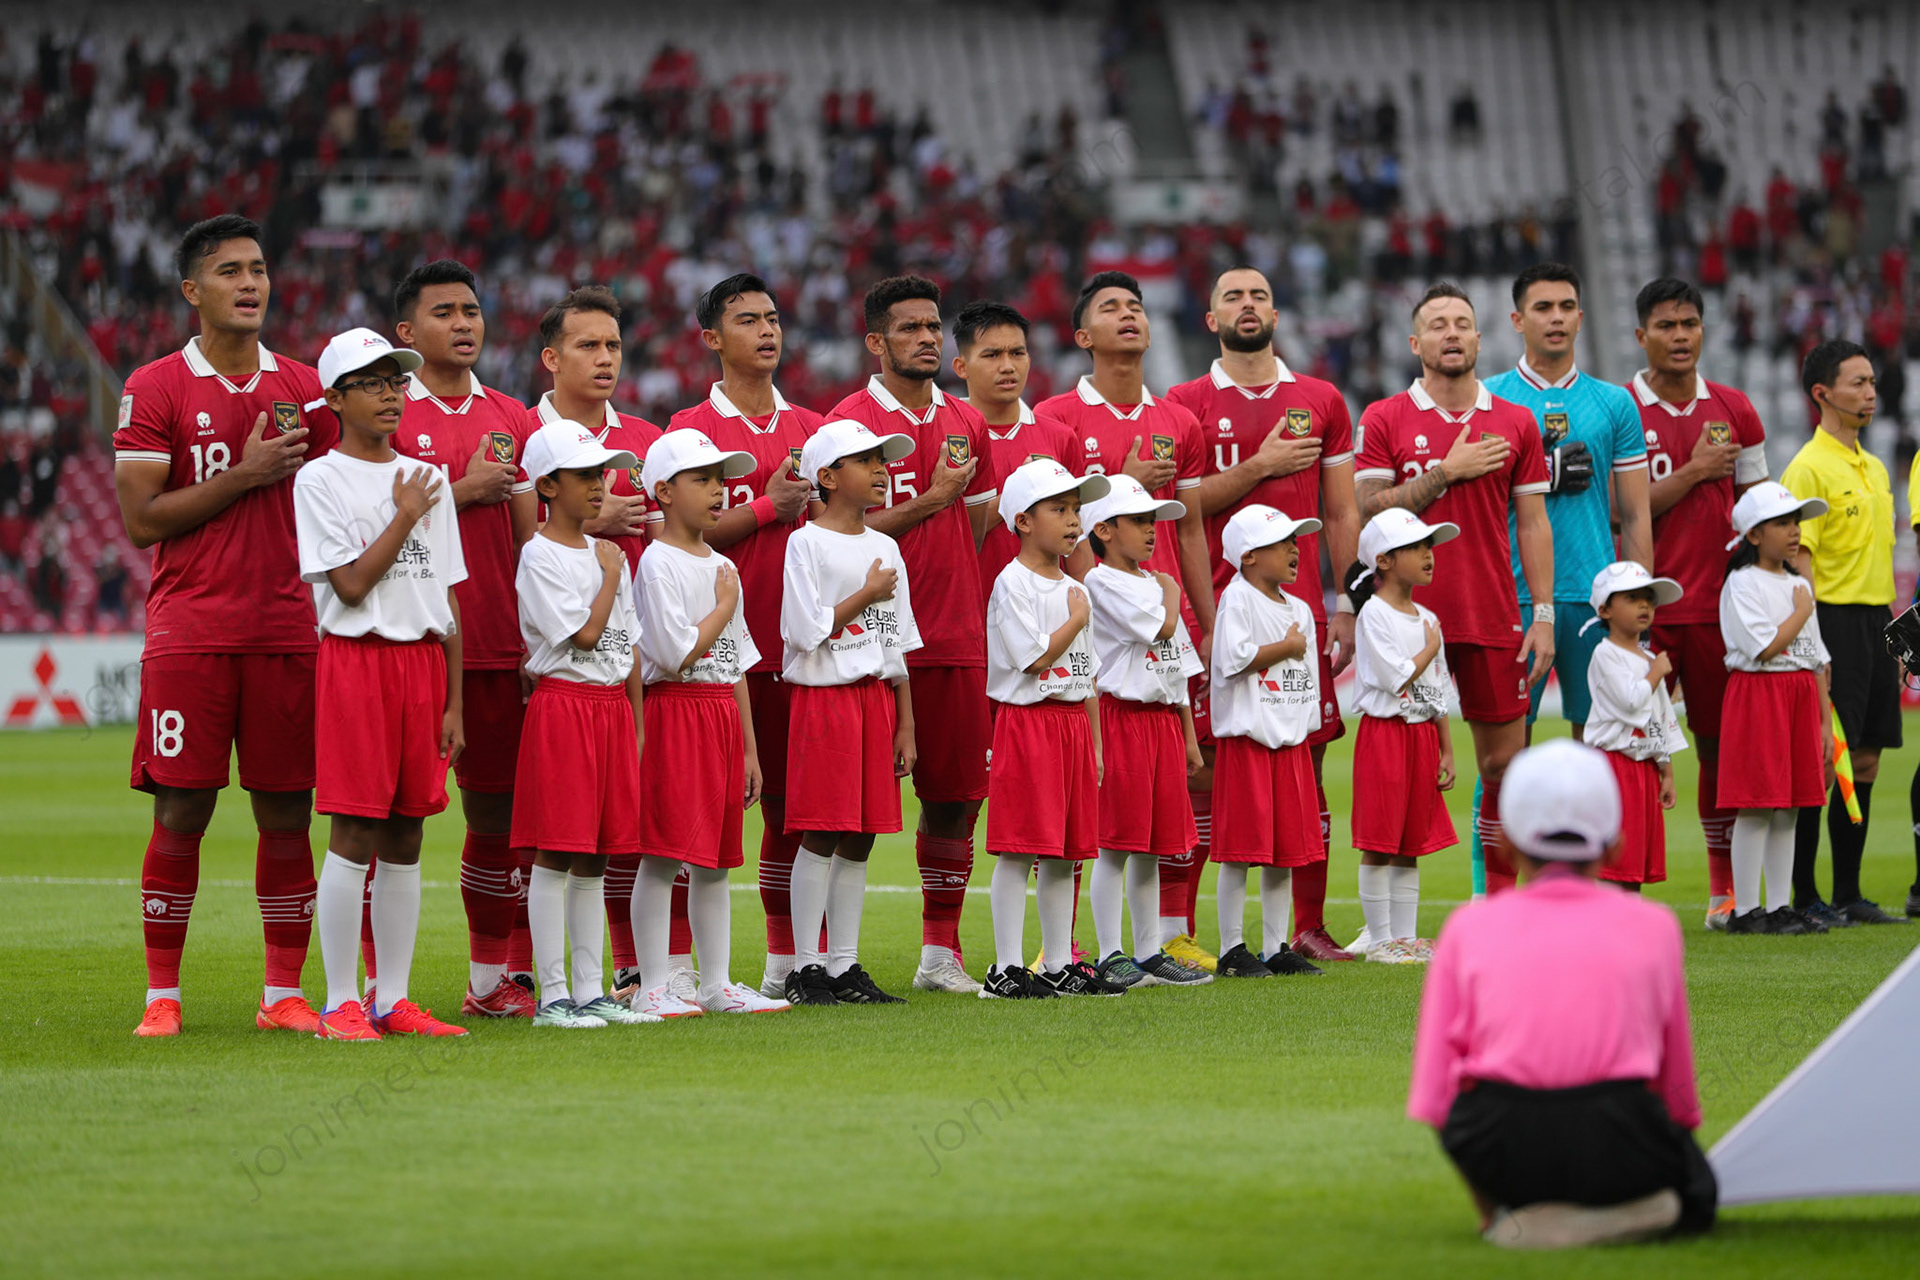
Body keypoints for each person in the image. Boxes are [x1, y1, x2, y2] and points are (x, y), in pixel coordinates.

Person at [114, 214, 335, 1037]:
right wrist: (244, 476)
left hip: (286, 629)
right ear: (192, 291)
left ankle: (282, 995)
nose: (251, 283)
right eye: (231, 270)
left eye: (260, 268)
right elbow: (143, 520)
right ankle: (161, 997)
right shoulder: (157, 385)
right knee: (181, 812)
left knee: (286, 813)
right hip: (192, 631)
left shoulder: (310, 391)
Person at [1408, 739, 1716, 1249]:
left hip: (1500, 1140)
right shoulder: (1654, 925)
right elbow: (1677, 1091)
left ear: (1506, 845)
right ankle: (1621, 1213)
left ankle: (1509, 1219)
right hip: (1619, 1135)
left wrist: (1489, 1208)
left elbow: (1436, 1099)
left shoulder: (1467, 927)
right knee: (1698, 1192)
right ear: (1615, 845)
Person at [1168, 264, 1362, 965]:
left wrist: (1345, 602)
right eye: (1232, 297)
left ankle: (1304, 927)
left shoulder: (1322, 399)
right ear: (1211, 319)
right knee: (1204, 771)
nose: (1248, 306)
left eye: (1260, 295)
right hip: (1211, 612)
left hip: (1302, 616)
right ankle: (1183, 933)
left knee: (1304, 767)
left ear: (1277, 312)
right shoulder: (1185, 404)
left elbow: (1340, 509)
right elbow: (1179, 512)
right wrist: (1260, 463)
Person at [1036, 271, 1218, 970]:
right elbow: (1052, 529)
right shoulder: (1056, 420)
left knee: (1152, 814)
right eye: (1111, 308)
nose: (1129, 315)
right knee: (1101, 809)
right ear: (1082, 336)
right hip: (1097, 638)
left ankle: (1150, 946)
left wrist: (1202, 617)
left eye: (1137, 306)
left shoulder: (1180, 421)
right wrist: (1122, 473)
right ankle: (1083, 945)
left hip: (1162, 642)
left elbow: (1193, 533)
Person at [294, 329, 468, 1041]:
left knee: (407, 834)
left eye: (396, 381)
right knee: (355, 829)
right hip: (358, 661)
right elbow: (353, 586)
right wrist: (403, 513)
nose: (391, 393)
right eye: (371, 383)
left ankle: (390, 998)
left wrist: (455, 699)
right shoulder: (320, 479)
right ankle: (340, 1001)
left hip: (423, 667)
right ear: (335, 398)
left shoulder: (429, 478)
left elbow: (448, 597)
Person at [1355, 283, 1553, 898]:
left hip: (1491, 613)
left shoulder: (1516, 421)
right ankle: (1390, 922)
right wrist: (1447, 472)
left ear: (1478, 337)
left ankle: (1497, 902)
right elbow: (1367, 508)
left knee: (1503, 767)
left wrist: (1541, 613)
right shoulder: (1386, 417)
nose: (1451, 333)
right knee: (1404, 771)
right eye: (1437, 324)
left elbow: (1534, 523)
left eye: (1462, 323)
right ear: (1416, 343)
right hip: (1403, 623)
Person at [829, 276, 996, 996]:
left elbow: (979, 521)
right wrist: (932, 501)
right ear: (877, 342)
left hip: (955, 633)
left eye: (933, 328)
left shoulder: (968, 421)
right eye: (910, 329)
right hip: (871, 641)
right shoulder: (846, 425)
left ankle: (939, 953)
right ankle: (830, 959)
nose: (927, 339)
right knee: (858, 808)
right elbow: (840, 532)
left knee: (956, 797)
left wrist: (946, 551)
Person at [668, 273, 824, 998]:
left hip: (802, 649)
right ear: (711, 339)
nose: (766, 330)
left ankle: (787, 963)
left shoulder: (816, 430)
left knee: (795, 812)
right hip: (716, 653)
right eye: (746, 320)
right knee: (700, 813)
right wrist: (770, 508)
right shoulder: (689, 432)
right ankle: (672, 971)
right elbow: (685, 531)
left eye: (772, 317)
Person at [391, 259, 538, 1019]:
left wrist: (534, 642)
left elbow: (529, 546)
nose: (464, 323)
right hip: (408, 645)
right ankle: (378, 995)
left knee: (497, 820)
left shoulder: (511, 417)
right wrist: (464, 489)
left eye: (472, 311)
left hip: (493, 647)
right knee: (392, 819)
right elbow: (361, 521)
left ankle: (488, 984)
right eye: (445, 312)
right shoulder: (386, 414)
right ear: (407, 333)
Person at [1480, 263, 1651, 895]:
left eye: (1566, 306)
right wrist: (1544, 473)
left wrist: (1638, 604)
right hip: (1511, 599)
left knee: (1601, 753)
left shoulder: (1614, 404)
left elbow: (1634, 511)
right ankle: (1493, 897)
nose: (1556, 317)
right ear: (1518, 320)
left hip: (1595, 600)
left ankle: (1593, 893)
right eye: (1543, 307)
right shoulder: (1490, 399)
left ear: (1581, 317)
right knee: (1501, 759)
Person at [527, 287, 665, 995]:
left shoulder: (643, 439)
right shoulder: (524, 438)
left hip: (624, 667)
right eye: (589, 345)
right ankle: (520, 976)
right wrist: (598, 526)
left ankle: (619, 978)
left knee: (612, 843)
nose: (606, 357)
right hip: (553, 674)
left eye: (613, 344)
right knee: (543, 838)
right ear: (552, 357)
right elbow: (524, 547)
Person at [633, 429, 792, 1016]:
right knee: (662, 855)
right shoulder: (657, 562)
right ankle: (654, 984)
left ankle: (716, 982)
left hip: (720, 714)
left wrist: (749, 750)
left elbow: (738, 664)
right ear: (663, 492)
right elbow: (676, 654)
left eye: (721, 480)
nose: (718, 491)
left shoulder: (722, 563)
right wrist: (723, 605)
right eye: (702, 479)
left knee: (717, 860)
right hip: (675, 709)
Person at [1631, 277, 1769, 929]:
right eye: (1666, 325)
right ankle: (1621, 893)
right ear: (1641, 336)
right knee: (1630, 749)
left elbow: (1763, 514)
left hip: (1720, 612)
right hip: (1640, 612)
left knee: (1718, 749)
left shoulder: (1737, 409)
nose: (1680, 336)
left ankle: (1725, 893)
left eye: (1690, 323)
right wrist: (1691, 473)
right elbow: (1615, 510)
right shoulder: (1620, 410)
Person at [510, 419, 653, 1029]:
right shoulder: (541, 554)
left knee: (597, 855)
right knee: (557, 852)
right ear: (546, 485)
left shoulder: (603, 553)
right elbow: (587, 634)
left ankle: (592, 990)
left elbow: (627, 647)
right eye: (585, 475)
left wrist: (637, 722)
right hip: (565, 705)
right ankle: (552, 994)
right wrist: (612, 574)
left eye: (603, 472)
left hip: (609, 710)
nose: (600, 484)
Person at [780, 420, 922, 1006]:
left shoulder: (885, 547)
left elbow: (896, 642)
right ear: (828, 477)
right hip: (825, 699)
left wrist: (906, 721)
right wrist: (866, 593)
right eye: (866, 461)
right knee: (822, 828)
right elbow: (803, 630)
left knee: (862, 833)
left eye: (882, 459)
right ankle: (805, 968)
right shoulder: (805, 542)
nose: (882, 469)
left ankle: (845, 964)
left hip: (875, 700)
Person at [1780, 340, 1906, 926]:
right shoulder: (1807, 467)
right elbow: (1799, 561)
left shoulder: (1876, 466)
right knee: (1824, 762)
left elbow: (1879, 562)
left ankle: (1849, 893)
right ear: (1821, 394)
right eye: (1857, 383)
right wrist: (1813, 644)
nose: (1870, 392)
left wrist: (1900, 641)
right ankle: (1805, 895)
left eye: (1873, 382)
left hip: (1878, 622)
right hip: (1831, 620)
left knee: (1869, 759)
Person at [980, 460, 1116, 999]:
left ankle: (1059, 961)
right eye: (1059, 509)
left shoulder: (1073, 586)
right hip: (1029, 723)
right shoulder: (1013, 582)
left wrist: (1096, 744)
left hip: (1071, 728)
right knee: (1019, 848)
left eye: (1077, 509)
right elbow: (1034, 659)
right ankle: (1005, 968)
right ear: (1023, 521)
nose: (1072, 520)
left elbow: (1087, 678)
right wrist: (1076, 619)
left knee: (1065, 851)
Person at [1081, 475, 1212, 989]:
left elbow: (1174, 663)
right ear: (1105, 529)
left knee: (1153, 845)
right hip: (1122, 717)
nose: (1152, 530)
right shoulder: (1102, 582)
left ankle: (1149, 950)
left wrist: (1188, 733)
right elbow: (1159, 629)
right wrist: (1172, 592)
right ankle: (1113, 953)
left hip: (1159, 720)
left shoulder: (1156, 583)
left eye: (1153, 521)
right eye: (1139, 521)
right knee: (1115, 843)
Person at [1208, 504, 1328, 978]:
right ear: (1250, 555)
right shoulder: (1236, 599)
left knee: (1285, 853)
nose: (1295, 551)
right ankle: (1233, 947)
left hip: (1290, 743)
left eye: (1296, 542)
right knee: (1241, 851)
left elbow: (1310, 677)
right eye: (1284, 544)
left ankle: (1276, 946)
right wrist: (1286, 647)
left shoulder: (1299, 609)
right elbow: (1233, 659)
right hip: (1250, 743)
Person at [1720, 483, 1835, 935]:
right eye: (1783, 524)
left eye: (1796, 523)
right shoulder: (1743, 583)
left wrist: (1825, 724)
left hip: (1801, 694)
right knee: (1756, 803)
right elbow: (1765, 648)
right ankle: (1747, 910)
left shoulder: (1797, 585)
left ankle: (1778, 905)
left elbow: (1818, 659)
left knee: (1790, 805)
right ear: (1753, 535)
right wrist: (1801, 611)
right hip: (1760, 694)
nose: (1794, 532)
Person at [1349, 508, 1459, 962]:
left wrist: (1446, 747)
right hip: (1386, 736)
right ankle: (1379, 940)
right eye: (1415, 547)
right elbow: (1398, 677)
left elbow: (1437, 689)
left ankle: (1406, 937)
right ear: (1385, 560)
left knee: (1411, 843)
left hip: (1420, 738)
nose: (1428, 555)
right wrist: (1429, 647)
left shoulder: (1427, 616)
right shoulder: (1374, 614)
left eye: (1429, 547)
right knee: (1380, 842)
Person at [951, 299, 1086, 597]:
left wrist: (1087, 604)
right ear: (961, 367)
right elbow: (945, 536)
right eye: (992, 355)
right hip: (969, 608)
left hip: (1048, 613)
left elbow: (1078, 539)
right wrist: (1015, 494)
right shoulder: (945, 435)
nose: (1008, 366)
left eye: (1017, 353)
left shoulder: (1060, 437)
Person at [1583, 563, 1687, 891]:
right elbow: (1631, 703)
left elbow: (1660, 720)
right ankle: (1605, 928)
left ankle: (1627, 929)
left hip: (1643, 769)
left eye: (1649, 599)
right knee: (1613, 859)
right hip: (1614, 766)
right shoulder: (1605, 654)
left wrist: (1666, 770)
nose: (1644, 605)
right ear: (1605, 609)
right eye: (1632, 598)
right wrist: (1656, 672)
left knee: (1634, 863)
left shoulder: (1648, 658)